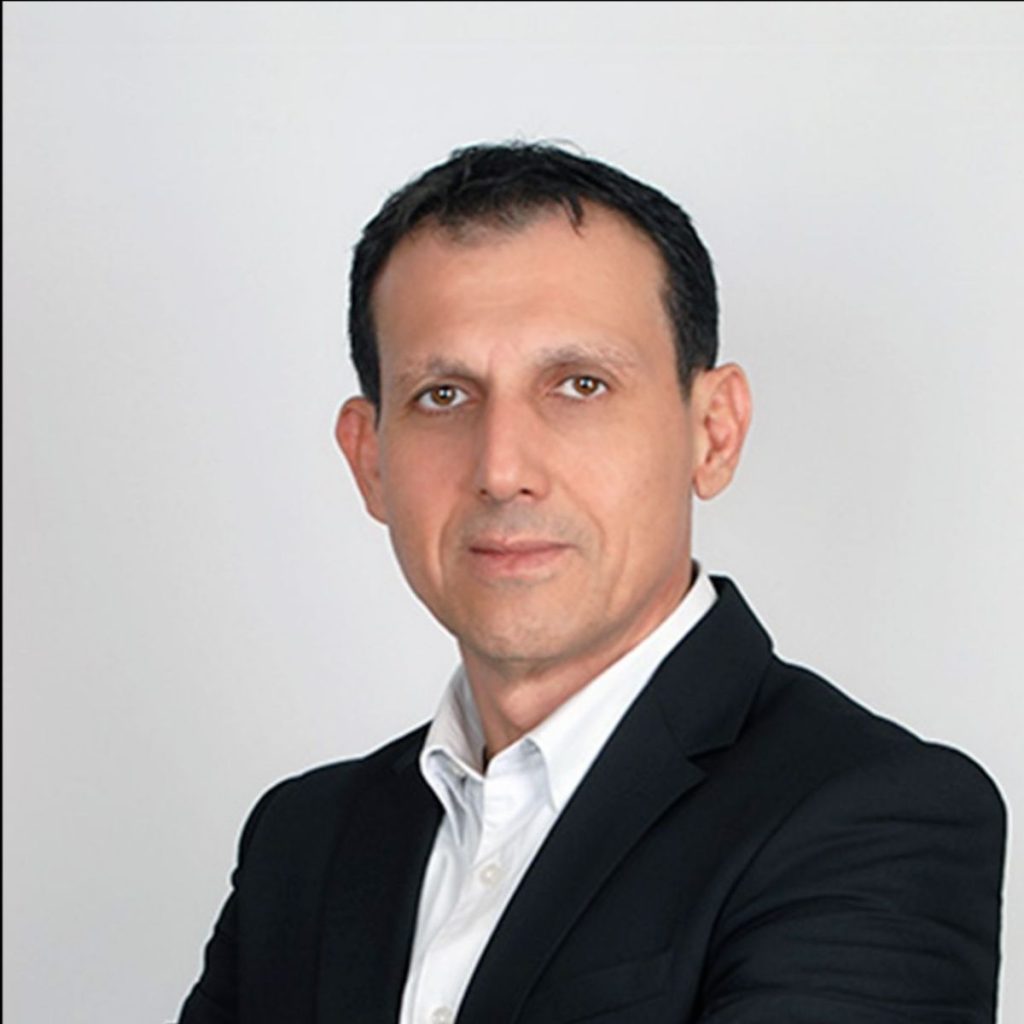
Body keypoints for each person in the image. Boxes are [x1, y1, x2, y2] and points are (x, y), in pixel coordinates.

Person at [176, 143, 1005, 1024]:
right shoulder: (302, 844)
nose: (502, 470)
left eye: (579, 385)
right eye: (443, 396)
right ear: (368, 459)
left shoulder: (872, 816)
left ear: (714, 433)